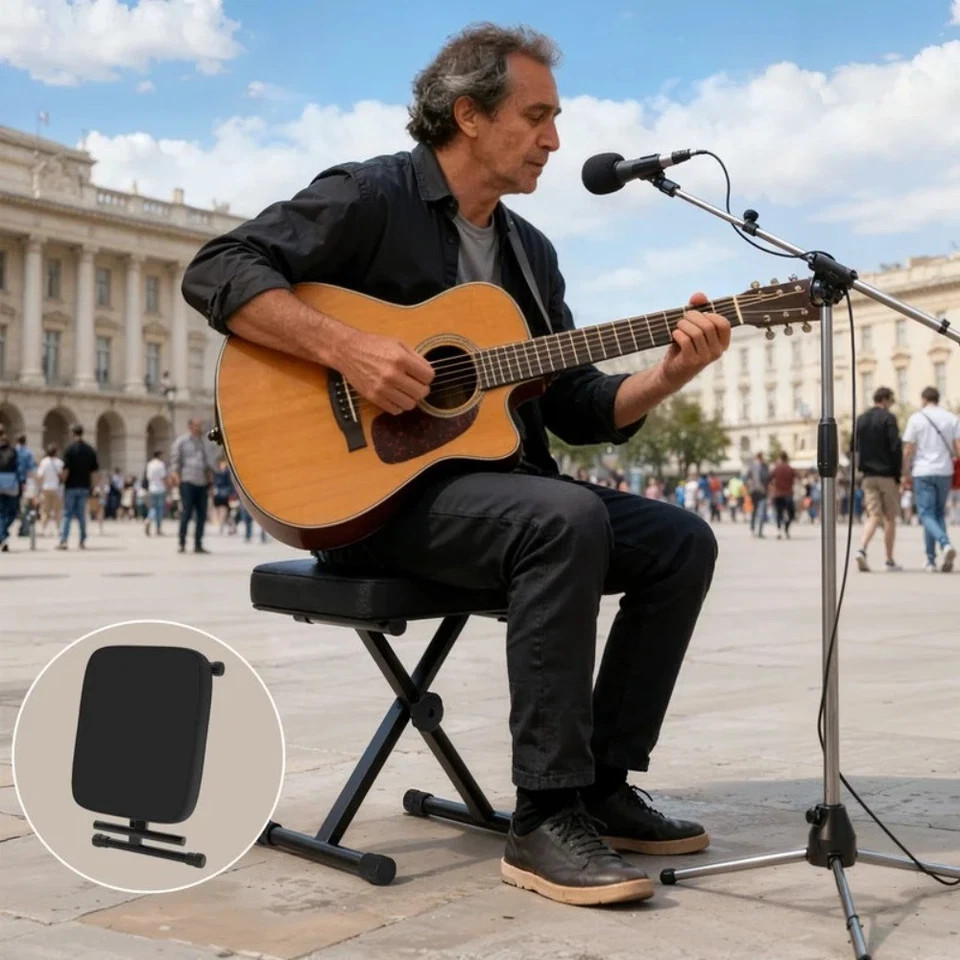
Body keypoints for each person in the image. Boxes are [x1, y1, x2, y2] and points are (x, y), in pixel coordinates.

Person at [182, 23, 729, 907]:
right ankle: (543, 820)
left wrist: (667, 372)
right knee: (565, 516)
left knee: (680, 540)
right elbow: (217, 269)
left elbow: (574, 404)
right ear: (468, 114)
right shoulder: (369, 196)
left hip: (493, 506)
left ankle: (600, 782)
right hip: (372, 507)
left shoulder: (529, 254)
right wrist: (351, 349)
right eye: (538, 116)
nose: (555, 139)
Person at [901, 386, 960, 571]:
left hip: (923, 471)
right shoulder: (951, 418)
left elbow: (909, 448)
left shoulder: (916, 418)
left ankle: (944, 544)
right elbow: (958, 447)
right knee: (937, 514)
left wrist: (905, 472)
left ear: (923, 399)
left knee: (926, 514)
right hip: (945, 470)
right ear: (938, 399)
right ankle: (931, 560)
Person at [853, 386, 903, 572]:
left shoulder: (861, 419)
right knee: (890, 517)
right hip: (887, 475)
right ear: (885, 399)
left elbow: (854, 448)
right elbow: (895, 447)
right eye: (890, 401)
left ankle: (862, 549)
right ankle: (889, 560)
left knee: (873, 515)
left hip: (868, 476)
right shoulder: (888, 418)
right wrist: (898, 474)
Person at [170, 418, 215, 554]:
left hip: (202, 482)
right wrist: (176, 478)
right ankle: (182, 543)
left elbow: (209, 463)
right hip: (187, 481)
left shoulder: (204, 442)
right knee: (186, 513)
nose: (199, 428)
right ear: (190, 427)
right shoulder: (181, 442)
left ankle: (198, 544)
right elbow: (175, 461)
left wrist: (211, 481)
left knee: (201, 515)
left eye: (200, 425)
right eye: (197, 426)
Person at [58, 424, 99, 550]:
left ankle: (64, 540)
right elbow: (94, 472)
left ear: (72, 433)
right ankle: (82, 540)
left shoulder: (69, 449)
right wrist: (93, 487)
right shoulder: (90, 450)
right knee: (82, 515)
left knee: (67, 514)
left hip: (71, 486)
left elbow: (66, 470)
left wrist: (62, 482)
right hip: (84, 486)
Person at [37, 444, 64, 536]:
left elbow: (40, 476)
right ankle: (58, 529)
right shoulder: (59, 463)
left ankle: (43, 529)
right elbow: (62, 476)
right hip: (56, 489)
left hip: (45, 488)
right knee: (58, 510)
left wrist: (39, 487)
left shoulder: (44, 462)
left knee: (45, 510)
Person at [769, 451, 796, 539]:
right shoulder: (790, 468)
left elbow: (769, 478)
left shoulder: (776, 468)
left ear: (780, 458)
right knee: (791, 514)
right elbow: (797, 476)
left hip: (778, 494)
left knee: (779, 513)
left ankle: (779, 530)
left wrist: (773, 486)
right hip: (788, 494)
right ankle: (786, 528)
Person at [0, 427, 19, 551]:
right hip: (11, 484)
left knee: (2, 512)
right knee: (12, 512)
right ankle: (3, 535)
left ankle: (2, 534)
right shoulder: (13, 451)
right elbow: (18, 467)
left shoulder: (13, 451)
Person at [144, 449, 168, 536]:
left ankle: (148, 519)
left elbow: (148, 477)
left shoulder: (149, 464)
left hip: (152, 488)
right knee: (159, 510)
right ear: (160, 455)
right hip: (160, 488)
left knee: (153, 508)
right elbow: (163, 477)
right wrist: (167, 487)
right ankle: (158, 529)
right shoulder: (161, 464)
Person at [748, 452, 770, 538]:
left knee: (759, 512)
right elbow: (751, 479)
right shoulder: (754, 467)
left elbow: (768, 478)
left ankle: (758, 531)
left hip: (760, 492)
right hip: (756, 492)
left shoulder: (764, 466)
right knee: (756, 511)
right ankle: (754, 530)